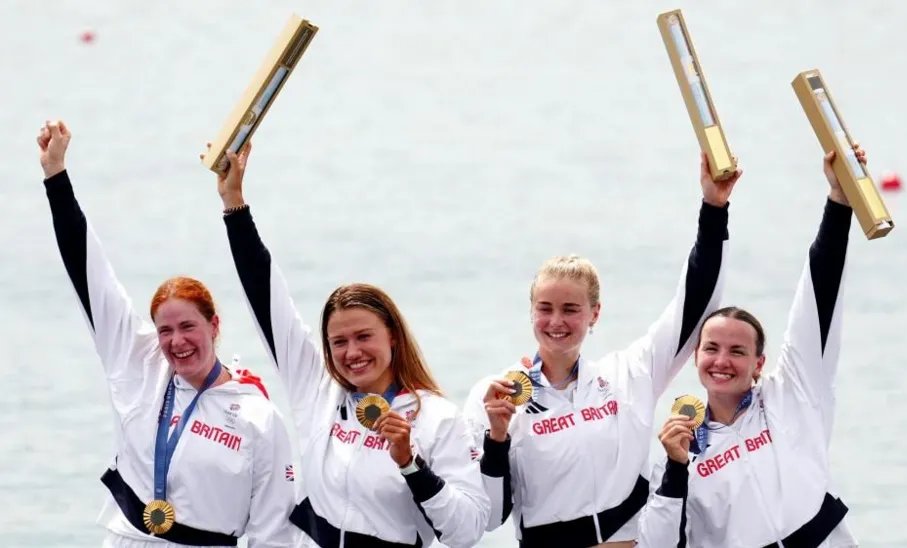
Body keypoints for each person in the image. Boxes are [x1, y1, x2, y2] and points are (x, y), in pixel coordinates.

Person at [209, 142, 490, 548]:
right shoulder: (319, 390)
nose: (352, 352)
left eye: (363, 337)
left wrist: (411, 465)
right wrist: (234, 204)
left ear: (392, 335)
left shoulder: (436, 418)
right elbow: (267, 297)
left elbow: (467, 531)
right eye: (338, 342)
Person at [38, 120, 296, 547]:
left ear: (214, 326)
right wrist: (56, 175)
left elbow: (276, 531)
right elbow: (90, 274)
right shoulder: (138, 361)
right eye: (165, 330)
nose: (177, 341)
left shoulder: (258, 417)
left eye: (189, 327)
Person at [464, 153, 740, 547]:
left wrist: (714, 208)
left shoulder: (629, 373)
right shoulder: (497, 396)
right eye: (545, 309)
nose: (556, 321)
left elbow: (693, 304)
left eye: (571, 309)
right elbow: (489, 517)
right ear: (531, 312)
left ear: (595, 313)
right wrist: (496, 438)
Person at [640, 147, 867, 547]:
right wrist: (676, 471)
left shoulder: (794, 393)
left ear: (759, 362)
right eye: (711, 348)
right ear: (696, 357)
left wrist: (839, 198)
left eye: (738, 351)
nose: (722, 361)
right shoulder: (679, 448)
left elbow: (819, 291)